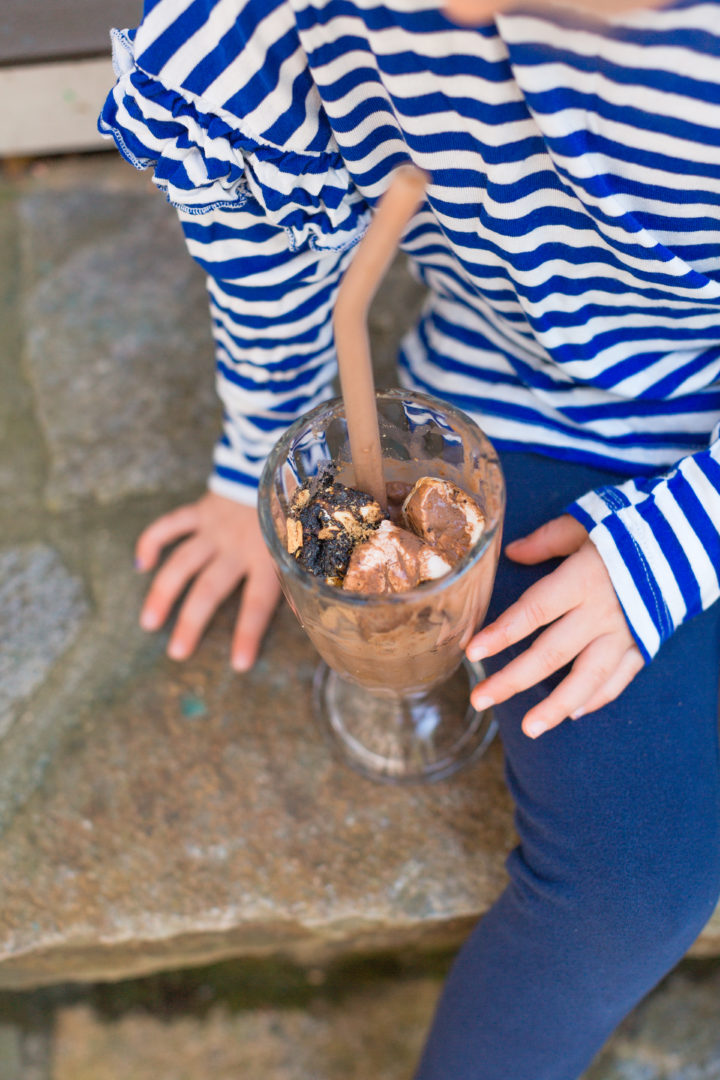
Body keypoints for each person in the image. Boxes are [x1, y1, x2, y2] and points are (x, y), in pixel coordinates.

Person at [99, 1, 720, 1076]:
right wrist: (256, 457)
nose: (461, 14)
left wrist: (675, 544)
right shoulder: (288, 19)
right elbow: (278, 265)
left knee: (645, 870)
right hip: (507, 417)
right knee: (629, 876)